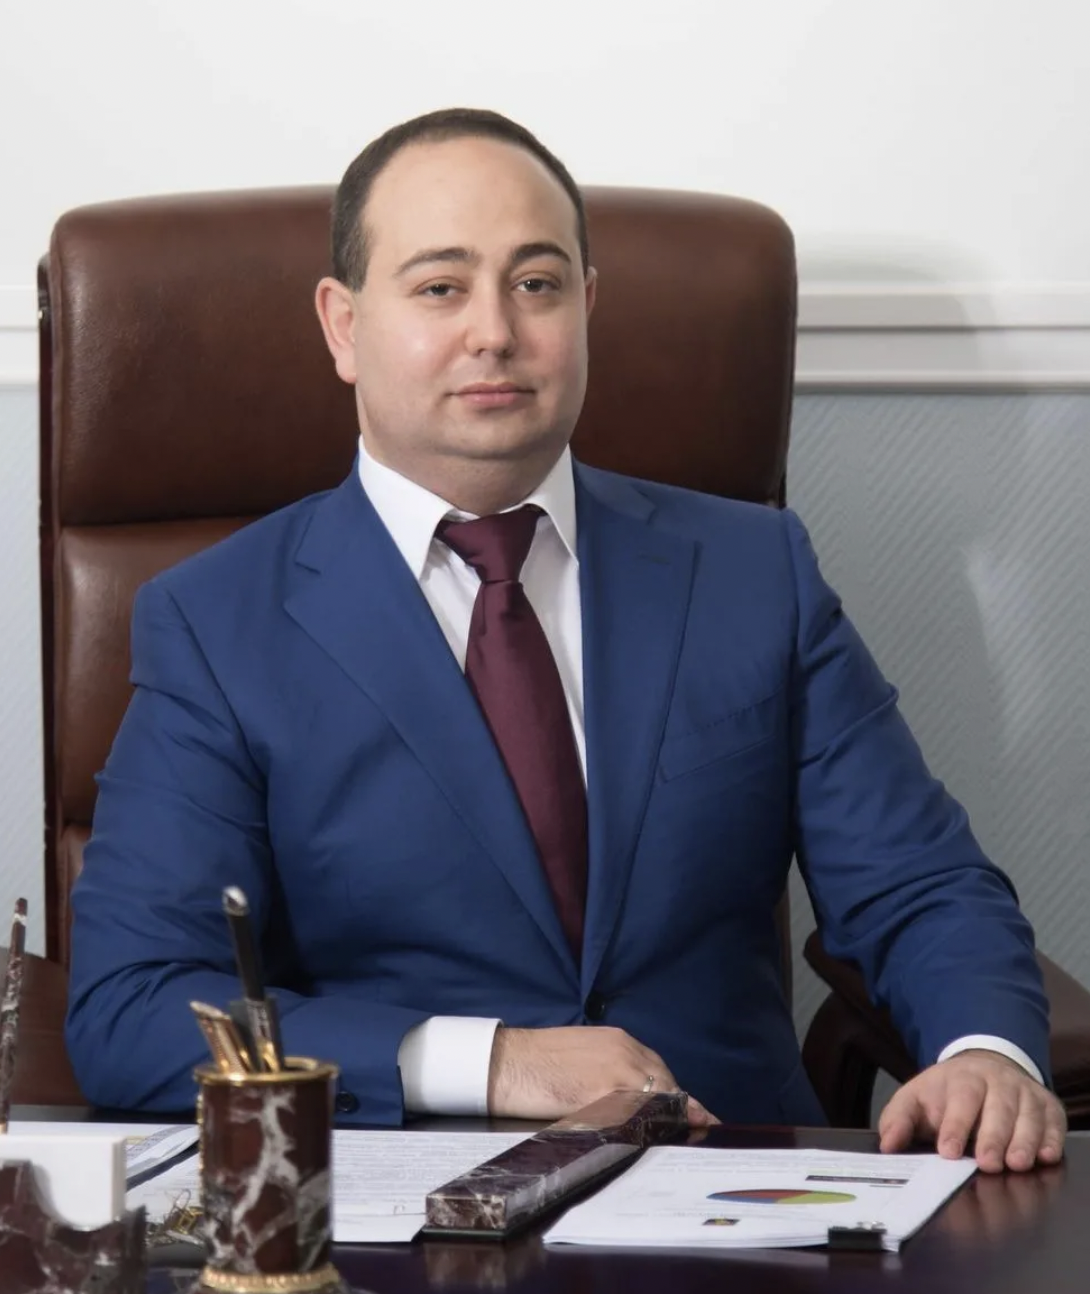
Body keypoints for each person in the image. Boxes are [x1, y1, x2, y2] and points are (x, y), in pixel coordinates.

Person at [66, 108, 1066, 1174]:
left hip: (738, 1191)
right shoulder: (217, 623)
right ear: (343, 326)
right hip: (411, 1208)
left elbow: (919, 885)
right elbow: (133, 1004)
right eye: (440, 287)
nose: (494, 332)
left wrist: (984, 1051)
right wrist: (490, 1062)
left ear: (586, 307)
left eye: (536, 283)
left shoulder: (751, 571)